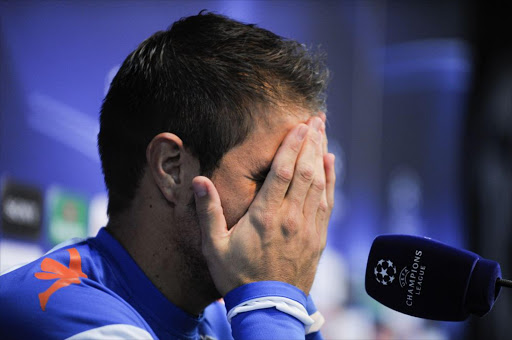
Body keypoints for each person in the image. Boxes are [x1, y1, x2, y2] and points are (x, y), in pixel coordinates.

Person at [0, 12, 335, 339]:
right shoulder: (66, 314)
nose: (293, 218)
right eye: (272, 179)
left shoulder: (227, 313)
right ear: (172, 168)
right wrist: (273, 302)